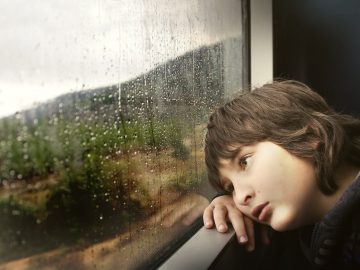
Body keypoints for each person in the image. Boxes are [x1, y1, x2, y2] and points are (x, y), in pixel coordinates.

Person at [202, 80, 360, 269]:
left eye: (245, 162)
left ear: (310, 135)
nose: (241, 197)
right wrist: (223, 200)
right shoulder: (301, 231)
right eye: (231, 187)